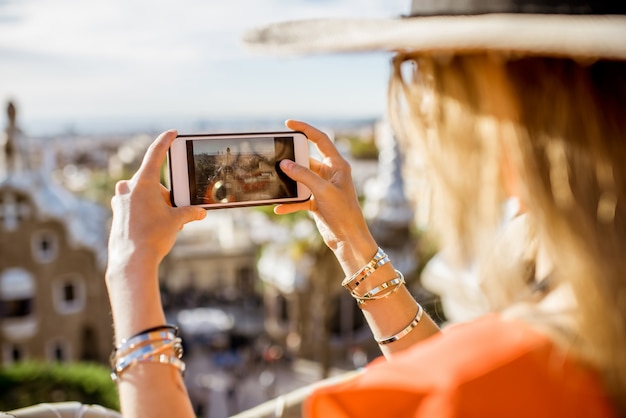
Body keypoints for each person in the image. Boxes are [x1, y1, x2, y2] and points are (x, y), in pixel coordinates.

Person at [105, 1, 626, 417]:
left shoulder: (466, 387)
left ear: (505, 112)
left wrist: (131, 271)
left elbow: (462, 384)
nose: (422, 110)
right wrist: (351, 240)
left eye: (426, 74)